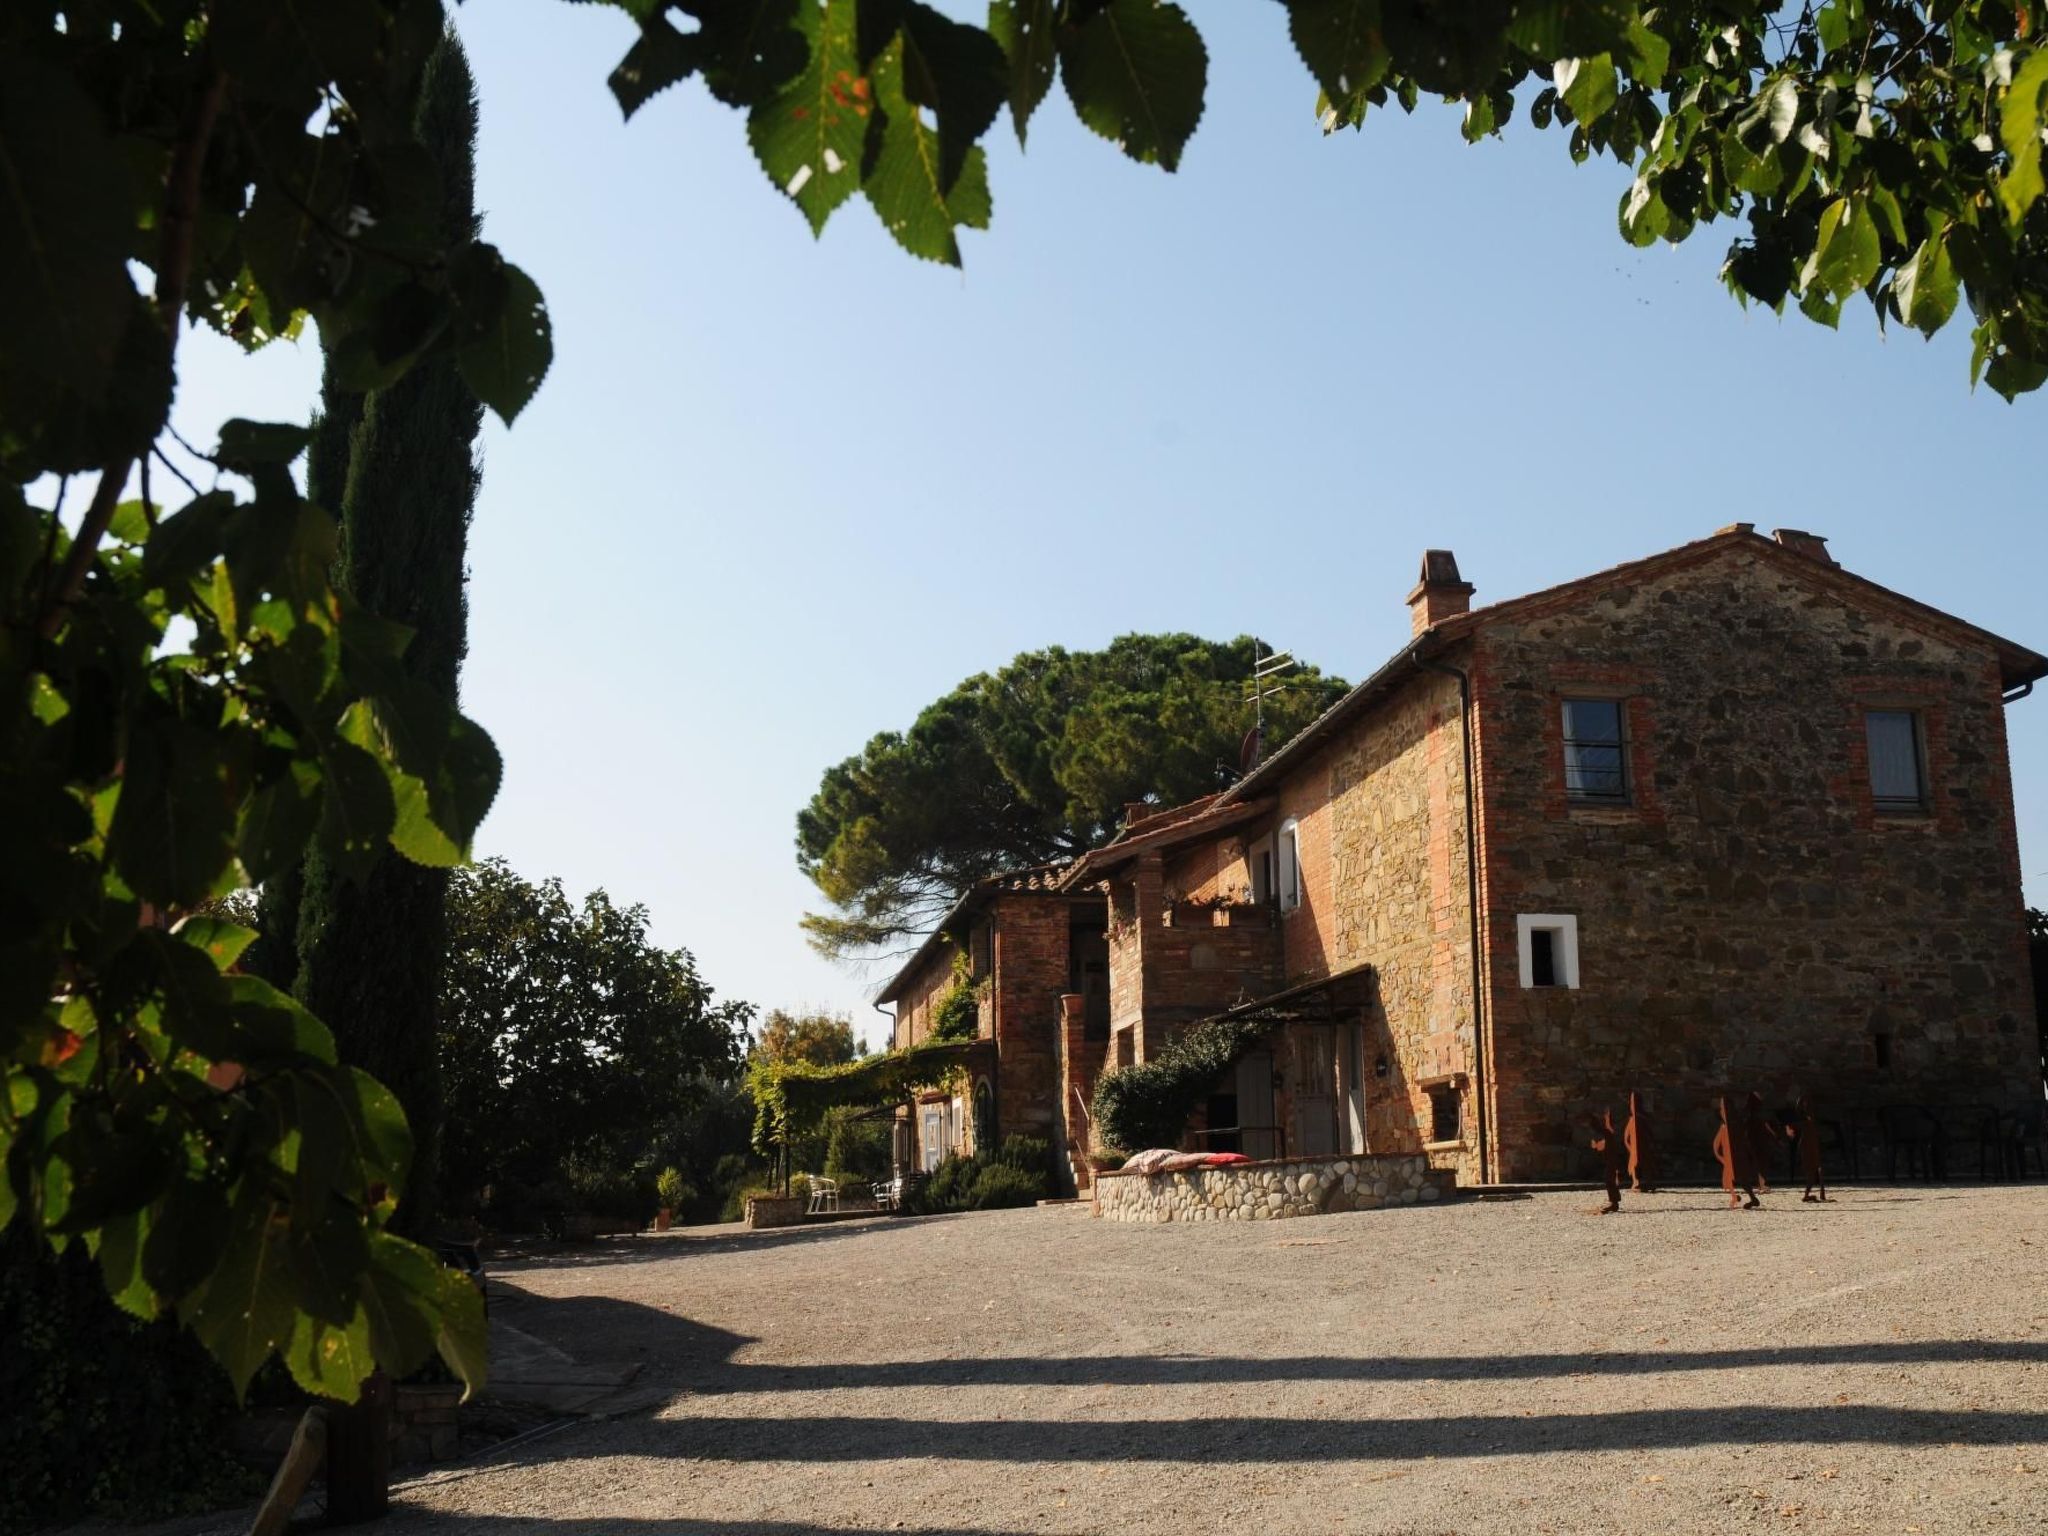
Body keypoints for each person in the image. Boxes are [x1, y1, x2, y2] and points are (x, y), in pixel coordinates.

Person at [1713, 1095, 1761, 1209]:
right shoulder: (1732, 1123)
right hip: (1735, 1155)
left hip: (1736, 1156)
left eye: (1722, 1109)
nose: (1721, 1111)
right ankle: (1738, 1196)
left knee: (1740, 1178)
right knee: (1732, 1178)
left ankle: (1751, 1199)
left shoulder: (1731, 1125)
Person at [1790, 1094, 1830, 1202]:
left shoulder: (1808, 1119)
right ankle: (1810, 1195)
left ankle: (1819, 1194)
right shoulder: (1805, 1120)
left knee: (1816, 1169)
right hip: (1808, 1146)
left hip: (1811, 1145)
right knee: (1813, 1171)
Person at [1587, 1108, 1627, 1213]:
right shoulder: (1604, 1132)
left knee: (1610, 1180)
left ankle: (1614, 1202)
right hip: (1610, 1159)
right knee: (1610, 1180)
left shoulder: (1604, 1133)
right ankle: (1614, 1201)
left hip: (1611, 1160)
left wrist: (1596, 1145)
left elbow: (1600, 1146)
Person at [1624, 1089, 1655, 1193]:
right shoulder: (1633, 1119)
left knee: (1644, 1163)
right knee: (1635, 1164)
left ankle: (1647, 1181)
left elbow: (1649, 1133)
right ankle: (1637, 1181)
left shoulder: (1641, 1118)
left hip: (1643, 1146)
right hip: (1635, 1147)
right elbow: (1627, 1137)